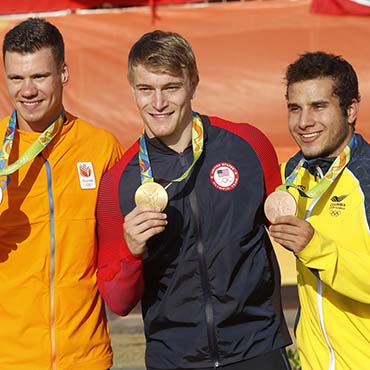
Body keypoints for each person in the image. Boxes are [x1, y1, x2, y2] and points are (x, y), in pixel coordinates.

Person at [96, 30, 292, 370]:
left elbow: (290, 230)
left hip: (257, 348)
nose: (158, 103)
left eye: (171, 87)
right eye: (146, 89)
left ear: (193, 84)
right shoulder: (119, 181)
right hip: (175, 357)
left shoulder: (248, 146)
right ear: (132, 90)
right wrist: (131, 250)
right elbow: (118, 302)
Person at [0, 18, 124, 370]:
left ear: (64, 74)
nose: (27, 90)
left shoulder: (100, 148)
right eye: (16, 78)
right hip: (8, 358)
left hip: (86, 356)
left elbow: (121, 250)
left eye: (39, 76)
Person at [269, 51, 370, 370]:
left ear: (351, 109)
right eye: (295, 109)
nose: (303, 122)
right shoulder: (293, 172)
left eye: (319, 107)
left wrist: (318, 250)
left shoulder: (366, 180)